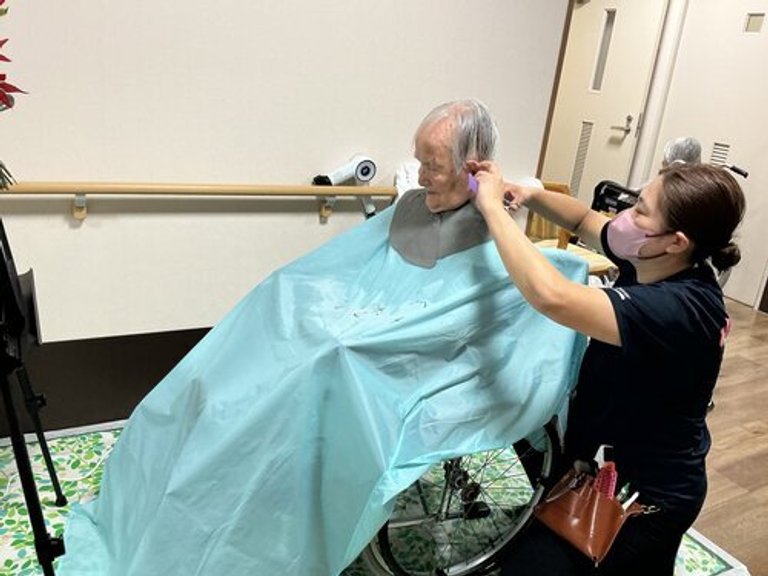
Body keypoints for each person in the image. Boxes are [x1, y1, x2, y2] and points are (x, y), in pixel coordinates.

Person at [58, 100, 589, 576]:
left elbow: (465, 312)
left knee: (319, 364)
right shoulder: (411, 208)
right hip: (353, 322)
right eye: (419, 160)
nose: (422, 175)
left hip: (391, 356)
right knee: (266, 316)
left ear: (473, 167)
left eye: (433, 164)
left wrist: (364, 330)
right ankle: (209, 468)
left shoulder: (492, 230)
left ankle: (250, 495)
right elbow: (351, 268)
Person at [470, 161, 745, 575]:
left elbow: (552, 296)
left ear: (676, 242)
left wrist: (492, 208)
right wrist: (526, 194)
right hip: (599, 460)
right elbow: (583, 220)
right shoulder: (653, 257)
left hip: (645, 497)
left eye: (641, 211)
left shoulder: (682, 308)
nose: (625, 216)